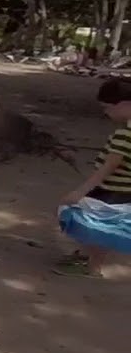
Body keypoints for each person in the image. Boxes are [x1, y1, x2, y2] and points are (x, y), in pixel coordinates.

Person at [54, 78, 131, 278]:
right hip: (124, 192)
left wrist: (80, 191)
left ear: (124, 104)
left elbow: (109, 166)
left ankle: (92, 267)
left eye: (107, 107)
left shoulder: (124, 135)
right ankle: (88, 258)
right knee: (103, 226)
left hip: (111, 191)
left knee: (92, 224)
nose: (106, 113)